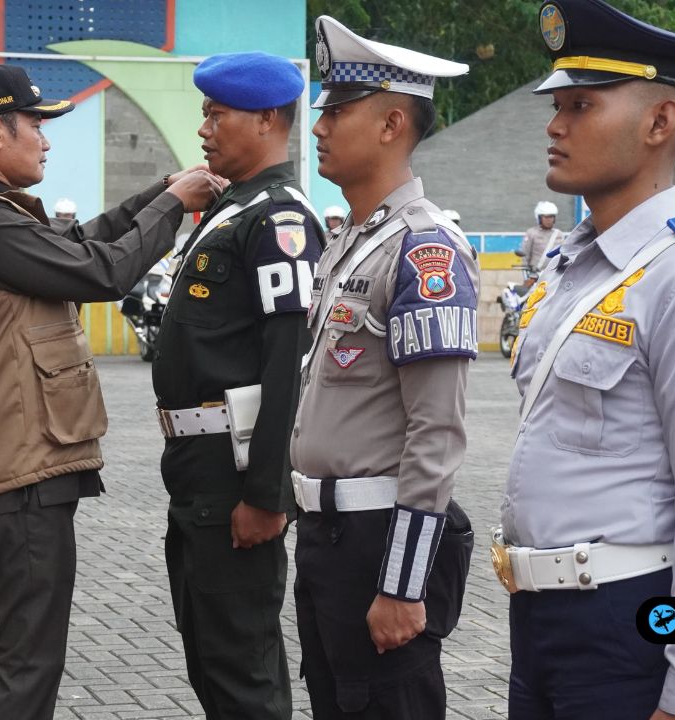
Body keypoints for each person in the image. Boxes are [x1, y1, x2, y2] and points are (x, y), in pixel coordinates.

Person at [0, 63, 221, 720]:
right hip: (18, 480)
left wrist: (159, 192)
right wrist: (175, 205)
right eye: (36, 124)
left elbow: (78, 244)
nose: (46, 139)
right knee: (23, 670)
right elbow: (102, 271)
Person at [496, 2, 675, 719]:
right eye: (557, 106)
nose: (555, 126)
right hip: (539, 619)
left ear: (660, 123)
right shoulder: (571, 266)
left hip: (626, 623)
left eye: (581, 105)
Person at [290, 16, 477, 718]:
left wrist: (402, 582)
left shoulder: (425, 251)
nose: (319, 127)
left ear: (393, 123)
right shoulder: (350, 241)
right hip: (326, 538)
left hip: (377, 541)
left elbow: (437, 431)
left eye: (337, 111)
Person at [150, 51, 323, 720]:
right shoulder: (234, 209)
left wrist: (267, 495)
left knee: (241, 670)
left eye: (216, 114)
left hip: (235, 473)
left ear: (267, 119)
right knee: (211, 657)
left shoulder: (278, 220)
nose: (204, 130)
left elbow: (289, 364)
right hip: (198, 466)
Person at [516, 200, 565, 271]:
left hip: (554, 273)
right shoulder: (531, 233)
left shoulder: (559, 234)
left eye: (551, 217)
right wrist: (527, 273)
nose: (549, 220)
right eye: (546, 217)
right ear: (539, 218)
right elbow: (525, 255)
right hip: (536, 273)